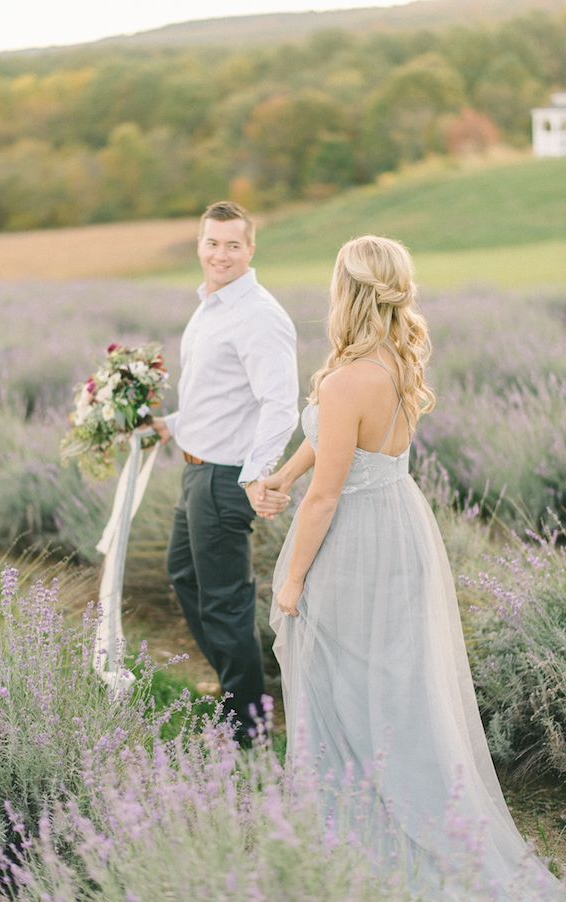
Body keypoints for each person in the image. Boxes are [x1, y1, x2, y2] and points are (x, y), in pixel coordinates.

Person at [267, 236, 564, 898]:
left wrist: (291, 582)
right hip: (400, 524)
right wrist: (283, 474)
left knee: (341, 674)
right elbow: (328, 448)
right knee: (393, 680)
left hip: (356, 540)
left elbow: (328, 495)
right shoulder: (395, 363)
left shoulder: (348, 379)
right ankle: (377, 805)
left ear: (347, 292)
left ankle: (362, 824)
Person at [152, 200, 298, 745]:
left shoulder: (258, 314)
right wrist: (169, 424)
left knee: (224, 599)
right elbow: (214, 394)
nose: (221, 254)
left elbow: (280, 402)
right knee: (184, 575)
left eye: (233, 244)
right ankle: (242, 692)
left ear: (251, 249)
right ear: (199, 245)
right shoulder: (210, 305)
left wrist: (257, 474)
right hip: (195, 469)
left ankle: (248, 727)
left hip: (226, 477)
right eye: (212, 243)